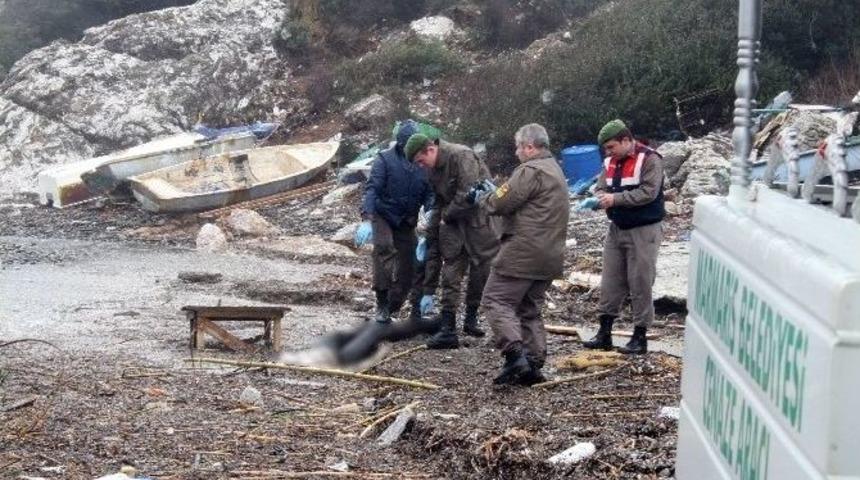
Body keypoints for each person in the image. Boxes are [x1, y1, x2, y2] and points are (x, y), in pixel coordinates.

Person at [473, 123, 569, 385]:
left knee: (495, 300)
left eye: (518, 147)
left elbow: (501, 202)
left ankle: (514, 356)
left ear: (529, 147)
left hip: (524, 252)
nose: (516, 152)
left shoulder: (530, 170)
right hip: (550, 254)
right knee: (529, 307)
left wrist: (484, 198)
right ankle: (533, 362)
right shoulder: (555, 170)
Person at [341, 120, 434, 363]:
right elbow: (372, 189)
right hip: (383, 215)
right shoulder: (384, 159)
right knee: (383, 249)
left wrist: (432, 210)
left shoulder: (422, 164)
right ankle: (382, 302)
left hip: (407, 219)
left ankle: (397, 306)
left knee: (412, 263)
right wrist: (366, 217)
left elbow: (430, 193)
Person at [404, 134, 500, 349]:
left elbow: (469, 195)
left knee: (480, 273)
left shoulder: (462, 156)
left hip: (478, 224)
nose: (421, 166)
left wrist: (447, 215)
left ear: (430, 149)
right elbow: (438, 200)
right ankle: (448, 328)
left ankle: (471, 318)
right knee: (451, 274)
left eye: (421, 160)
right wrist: (431, 229)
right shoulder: (432, 169)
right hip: (454, 227)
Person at [581, 119, 664, 355]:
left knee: (640, 281)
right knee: (610, 280)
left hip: (644, 228)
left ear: (626, 140)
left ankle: (640, 336)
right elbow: (600, 186)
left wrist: (615, 199)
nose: (608, 153)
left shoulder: (649, 159)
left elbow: (649, 192)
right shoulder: (610, 162)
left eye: (611, 147)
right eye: (606, 149)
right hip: (617, 227)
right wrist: (598, 198)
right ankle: (604, 333)